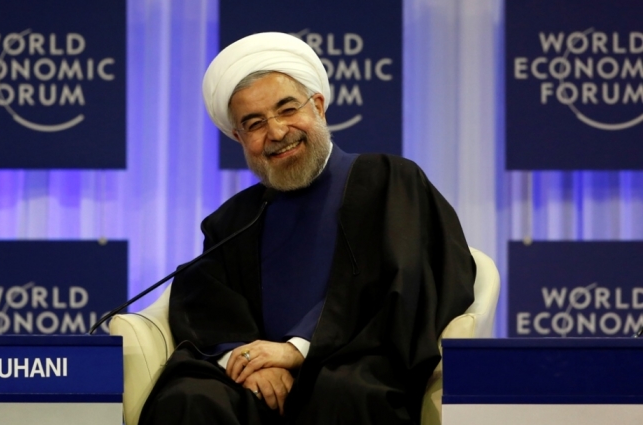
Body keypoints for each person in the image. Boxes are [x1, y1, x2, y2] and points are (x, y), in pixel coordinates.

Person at [139, 32, 475, 425]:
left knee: (343, 393)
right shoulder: (235, 218)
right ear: (239, 137)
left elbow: (407, 283)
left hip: (355, 361)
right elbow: (204, 302)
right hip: (255, 380)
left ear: (318, 106)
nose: (277, 132)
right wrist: (249, 360)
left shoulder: (388, 181)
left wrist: (299, 350)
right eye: (254, 123)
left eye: (286, 109)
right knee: (191, 397)